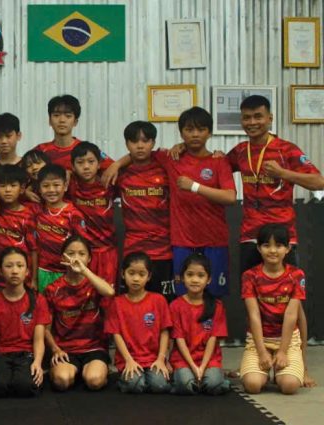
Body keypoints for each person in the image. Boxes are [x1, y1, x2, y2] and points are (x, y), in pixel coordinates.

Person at [228, 95, 323, 387]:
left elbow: (319, 181)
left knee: (294, 302)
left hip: (283, 238)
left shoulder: (286, 150)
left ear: (270, 118)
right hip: (250, 236)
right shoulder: (240, 151)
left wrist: (284, 174)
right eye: (247, 117)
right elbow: (214, 165)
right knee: (251, 300)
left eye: (258, 116)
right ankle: (254, 355)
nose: (252, 122)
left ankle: (301, 364)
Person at [106, 107, 236, 298]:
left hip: (214, 240)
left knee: (213, 296)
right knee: (181, 297)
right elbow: (140, 153)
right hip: (181, 242)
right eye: (189, 130)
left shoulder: (219, 161)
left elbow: (230, 197)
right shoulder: (171, 158)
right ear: (181, 133)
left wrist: (194, 186)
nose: (195, 134)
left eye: (200, 129)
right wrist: (116, 164)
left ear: (210, 132)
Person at [240, 224, 306, 395]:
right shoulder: (249, 276)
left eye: (279, 245)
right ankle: (264, 368)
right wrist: (262, 352)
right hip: (259, 341)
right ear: (258, 248)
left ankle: (279, 371)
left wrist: (283, 351)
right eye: (266, 245)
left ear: (288, 249)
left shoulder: (297, 275)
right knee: (253, 385)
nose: (273, 250)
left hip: (288, 341)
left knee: (289, 386)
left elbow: (291, 315)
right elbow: (254, 315)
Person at [45, 235, 115, 391]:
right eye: (71, 253)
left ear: (89, 258)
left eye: (82, 254)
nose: (76, 258)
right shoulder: (53, 289)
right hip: (66, 349)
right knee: (62, 381)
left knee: (94, 381)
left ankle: (92, 371)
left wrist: (84, 270)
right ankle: (71, 371)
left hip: (94, 348)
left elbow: (110, 292)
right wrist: (56, 349)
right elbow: (46, 328)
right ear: (63, 257)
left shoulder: (94, 283)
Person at [115, 121, 174, 299]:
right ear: (127, 144)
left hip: (163, 252)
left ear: (153, 143)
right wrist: (116, 164)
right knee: (133, 304)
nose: (140, 146)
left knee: (164, 304)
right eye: (134, 141)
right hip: (133, 251)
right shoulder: (120, 173)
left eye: (145, 141)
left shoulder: (165, 166)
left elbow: (188, 153)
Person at [0, 247, 50, 397]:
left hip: (27, 354)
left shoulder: (38, 300)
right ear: (0, 271)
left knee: (25, 386)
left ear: (27, 271)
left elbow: (39, 340)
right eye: (9, 266)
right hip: (1, 353)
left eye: (20, 266)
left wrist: (38, 362)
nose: (14, 271)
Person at [105, 252, 172, 394]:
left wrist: (161, 359)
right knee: (135, 385)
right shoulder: (117, 303)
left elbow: (165, 331)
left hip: (153, 358)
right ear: (123, 274)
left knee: (160, 386)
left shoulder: (158, 300)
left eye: (142, 274)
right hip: (128, 359)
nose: (136, 278)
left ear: (149, 276)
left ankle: (148, 377)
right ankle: (129, 378)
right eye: (131, 273)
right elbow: (116, 334)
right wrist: (128, 360)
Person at [170, 253, 230, 395]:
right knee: (185, 386)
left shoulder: (216, 306)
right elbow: (179, 339)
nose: (195, 280)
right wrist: (192, 366)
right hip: (183, 359)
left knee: (213, 385)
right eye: (190, 275)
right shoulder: (175, 306)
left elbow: (213, 339)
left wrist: (202, 367)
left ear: (208, 279)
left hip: (208, 360)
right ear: (182, 277)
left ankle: (220, 380)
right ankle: (184, 379)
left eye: (201, 275)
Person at [69, 142, 118, 289]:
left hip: (107, 251)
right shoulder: (70, 184)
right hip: (81, 252)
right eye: (80, 162)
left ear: (99, 164)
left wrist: (117, 164)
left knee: (107, 293)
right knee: (83, 293)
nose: (86, 167)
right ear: (72, 167)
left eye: (91, 162)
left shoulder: (108, 182)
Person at [34, 164, 89, 292]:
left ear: (65, 186)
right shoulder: (37, 211)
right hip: (42, 271)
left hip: (66, 272)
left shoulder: (73, 214)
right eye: (46, 186)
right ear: (39, 189)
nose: (51, 190)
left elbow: (82, 246)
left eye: (56, 185)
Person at [0, 165, 38, 287]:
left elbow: (34, 249)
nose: (7, 190)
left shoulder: (27, 215)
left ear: (22, 188)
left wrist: (34, 279)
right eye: (2, 186)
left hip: (20, 275)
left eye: (13, 185)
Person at [34, 95, 113, 172]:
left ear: (75, 122)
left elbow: (114, 167)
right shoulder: (40, 151)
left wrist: (118, 163)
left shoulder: (87, 150)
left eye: (68, 116)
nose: (62, 120)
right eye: (56, 115)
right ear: (50, 121)